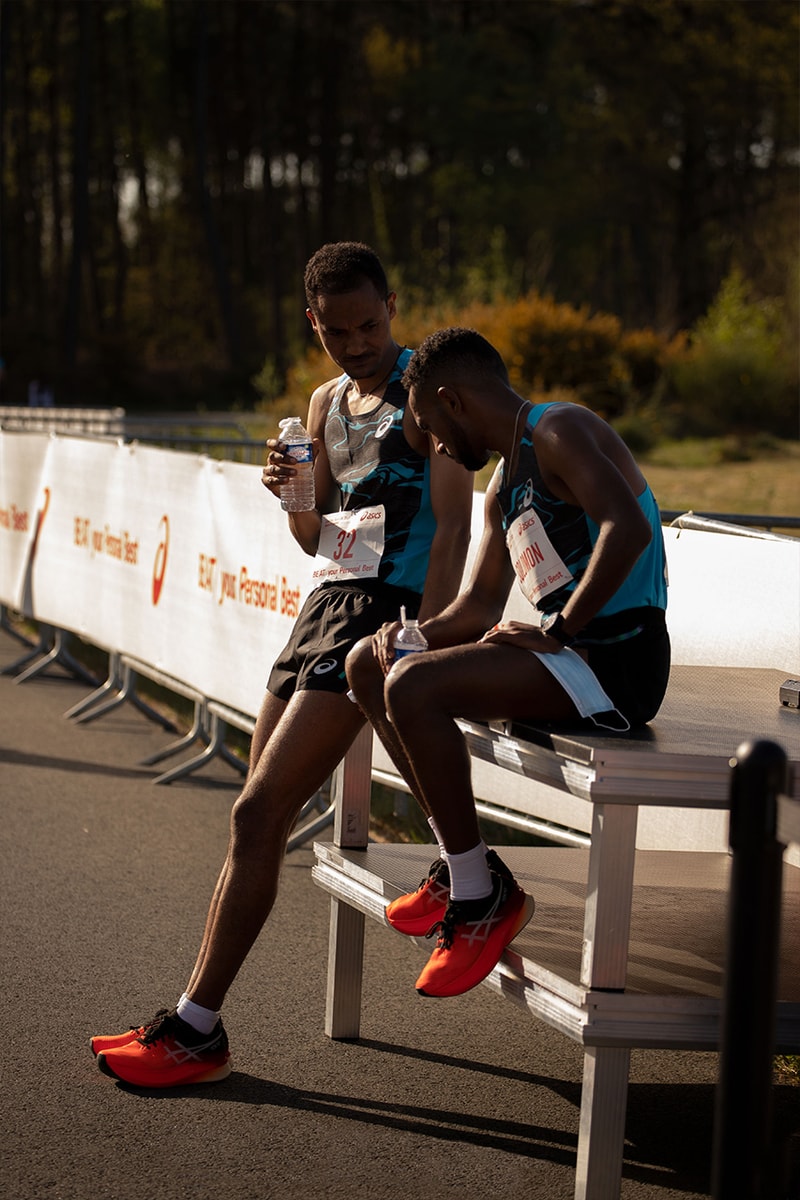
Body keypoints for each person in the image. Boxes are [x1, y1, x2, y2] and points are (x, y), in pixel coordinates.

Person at [91, 244, 474, 1087]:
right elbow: (315, 535)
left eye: (370, 324)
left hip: (382, 617)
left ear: (393, 306)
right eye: (337, 331)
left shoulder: (429, 389)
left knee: (261, 810)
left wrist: (429, 633)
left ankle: (196, 1028)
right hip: (322, 607)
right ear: (315, 324)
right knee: (249, 814)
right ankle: (197, 1028)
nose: (357, 342)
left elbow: (453, 523)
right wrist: (293, 494)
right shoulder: (323, 402)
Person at [346, 326, 670, 1000]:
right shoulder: (501, 482)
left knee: (416, 687)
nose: (434, 444)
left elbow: (627, 528)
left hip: (617, 660)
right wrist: (408, 634)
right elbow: (477, 605)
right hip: (567, 653)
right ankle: (463, 869)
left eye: (430, 425)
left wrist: (559, 626)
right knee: (370, 666)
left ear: (452, 401)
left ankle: (480, 899)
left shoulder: (558, 429)